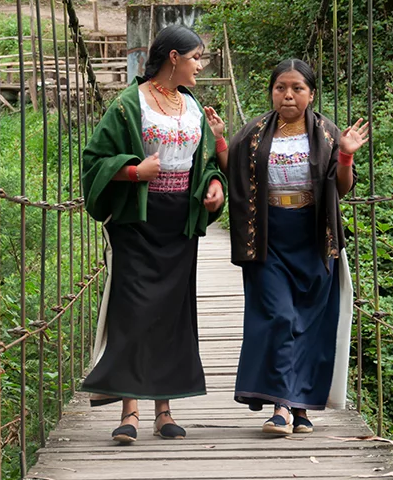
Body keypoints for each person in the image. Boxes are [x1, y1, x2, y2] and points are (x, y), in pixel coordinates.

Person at [205, 58, 368, 435]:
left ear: (311, 94)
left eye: (297, 88)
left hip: (312, 235)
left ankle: (301, 408)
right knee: (280, 317)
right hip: (268, 235)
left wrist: (346, 154)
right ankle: (280, 405)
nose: (288, 95)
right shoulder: (254, 132)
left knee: (309, 323)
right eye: (281, 88)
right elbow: (237, 176)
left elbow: (341, 187)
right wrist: (219, 141)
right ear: (272, 92)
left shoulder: (328, 134)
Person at [81, 25, 226, 443]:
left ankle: (165, 410)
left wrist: (214, 187)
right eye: (196, 57)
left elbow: (205, 166)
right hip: (137, 220)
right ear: (174, 58)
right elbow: (94, 161)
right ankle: (130, 412)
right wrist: (132, 171)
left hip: (179, 223)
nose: (201, 65)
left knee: (171, 314)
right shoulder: (129, 104)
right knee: (133, 312)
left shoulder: (195, 107)